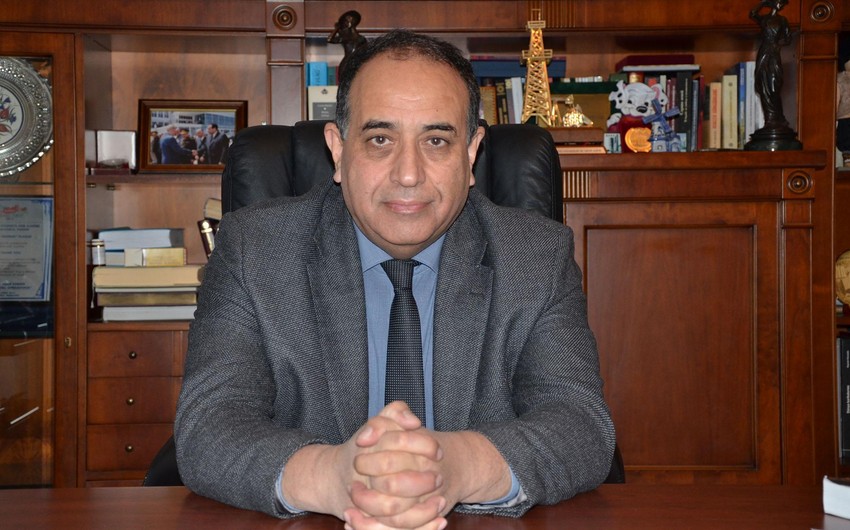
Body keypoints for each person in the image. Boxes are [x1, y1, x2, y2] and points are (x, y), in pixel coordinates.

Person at [174, 29, 615, 530]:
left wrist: (456, 468)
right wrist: (333, 477)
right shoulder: (255, 252)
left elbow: (581, 425)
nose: (408, 174)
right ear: (338, 150)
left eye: (436, 141)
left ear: (471, 153)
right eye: (380, 140)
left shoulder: (536, 257)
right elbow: (209, 426)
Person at [750, 0, 792, 128]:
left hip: (774, 53)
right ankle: (769, 119)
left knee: (774, 85)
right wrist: (763, 3)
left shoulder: (782, 20)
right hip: (764, 52)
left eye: (782, 4)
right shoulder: (765, 19)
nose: (780, 5)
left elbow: (788, 38)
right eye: (779, 2)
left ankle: (778, 117)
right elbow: (753, 13)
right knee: (763, 85)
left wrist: (778, 45)